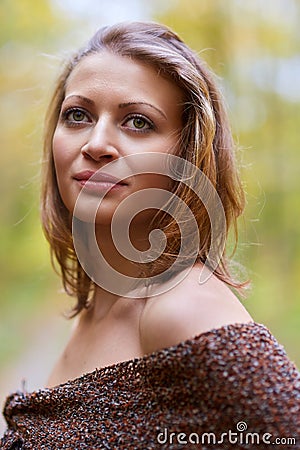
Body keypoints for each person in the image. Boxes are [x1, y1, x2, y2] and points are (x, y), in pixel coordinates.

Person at [1, 21, 299, 450]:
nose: (97, 143)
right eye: (78, 115)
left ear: (187, 153)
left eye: (138, 122)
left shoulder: (182, 307)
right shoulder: (94, 310)